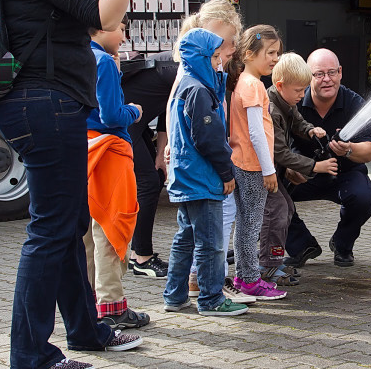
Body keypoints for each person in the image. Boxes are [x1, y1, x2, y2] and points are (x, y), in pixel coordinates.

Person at [0, 0, 139, 369]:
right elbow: (105, 16)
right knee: (51, 229)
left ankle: (86, 329)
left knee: (69, 222)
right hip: (47, 107)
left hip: (42, 106)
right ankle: (30, 354)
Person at [163, 27, 248, 316]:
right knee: (210, 244)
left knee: (185, 238)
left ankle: (174, 296)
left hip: (186, 177)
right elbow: (209, 140)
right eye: (213, 57)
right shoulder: (199, 91)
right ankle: (211, 300)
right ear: (200, 57)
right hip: (203, 178)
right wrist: (227, 173)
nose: (218, 63)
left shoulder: (187, 85)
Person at [83, 19, 149, 335]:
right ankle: (112, 308)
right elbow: (111, 115)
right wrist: (134, 111)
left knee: (88, 232)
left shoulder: (77, 56)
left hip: (83, 151)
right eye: (120, 28)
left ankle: (89, 306)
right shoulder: (104, 62)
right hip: (109, 153)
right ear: (101, 27)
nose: (124, 36)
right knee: (110, 228)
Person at [284, 49, 371, 268]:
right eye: (319, 74)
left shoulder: (354, 103)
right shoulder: (294, 103)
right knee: (267, 196)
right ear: (307, 76)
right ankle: (301, 246)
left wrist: (348, 149)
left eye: (332, 72)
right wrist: (289, 169)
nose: (327, 79)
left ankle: (342, 244)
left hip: (344, 174)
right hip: (304, 173)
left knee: (364, 197)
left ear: (340, 72)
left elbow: (368, 152)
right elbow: (277, 146)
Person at [261, 53, 336, 286]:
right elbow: (281, 153)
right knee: (276, 213)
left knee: (286, 209)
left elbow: (297, 121)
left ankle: (273, 260)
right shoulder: (272, 109)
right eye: (298, 90)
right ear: (280, 85)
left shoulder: (287, 101)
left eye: (304, 89)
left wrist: (311, 130)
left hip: (273, 174)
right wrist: (316, 166)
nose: (302, 95)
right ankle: (266, 265)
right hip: (263, 176)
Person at [225, 25, 288, 299]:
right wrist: (269, 170)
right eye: (270, 53)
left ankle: (245, 277)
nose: (275, 59)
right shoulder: (253, 85)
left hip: (243, 163)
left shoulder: (244, 81)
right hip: (251, 166)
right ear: (249, 54)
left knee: (245, 224)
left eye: (277, 53)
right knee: (251, 226)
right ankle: (250, 281)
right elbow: (256, 132)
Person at [120, 50, 177, 279]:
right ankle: (141, 257)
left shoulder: (172, 64)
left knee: (155, 177)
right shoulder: (176, 68)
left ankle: (138, 253)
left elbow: (165, 112)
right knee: (148, 183)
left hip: (138, 124)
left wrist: (161, 154)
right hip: (125, 123)